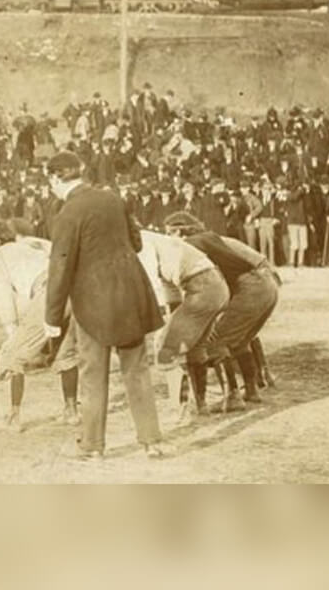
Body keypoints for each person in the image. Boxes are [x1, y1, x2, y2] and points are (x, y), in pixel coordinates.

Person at [43, 151, 167, 461]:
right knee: (137, 370)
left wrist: (52, 316)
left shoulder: (68, 213)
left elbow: (60, 267)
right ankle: (151, 441)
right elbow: (136, 243)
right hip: (130, 293)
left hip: (93, 301)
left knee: (93, 374)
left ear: (57, 178)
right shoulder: (113, 199)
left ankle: (93, 447)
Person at [165, 212, 279, 409]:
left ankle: (233, 396)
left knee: (216, 342)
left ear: (179, 231)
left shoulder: (192, 244)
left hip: (250, 285)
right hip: (267, 282)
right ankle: (251, 390)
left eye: (169, 233)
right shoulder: (213, 238)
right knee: (241, 340)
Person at [0, 220, 78, 432]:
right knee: (65, 352)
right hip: (74, 289)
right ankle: (71, 410)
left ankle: (14, 416)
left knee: (12, 356)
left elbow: (4, 298)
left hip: (48, 292)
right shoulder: (35, 243)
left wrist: (12, 332)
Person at [137, 228, 229, 424]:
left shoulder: (142, 242)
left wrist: (162, 322)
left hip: (202, 287)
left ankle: (178, 409)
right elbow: (170, 284)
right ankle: (201, 406)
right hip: (216, 285)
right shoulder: (156, 239)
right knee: (195, 348)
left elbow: (153, 283)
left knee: (166, 348)